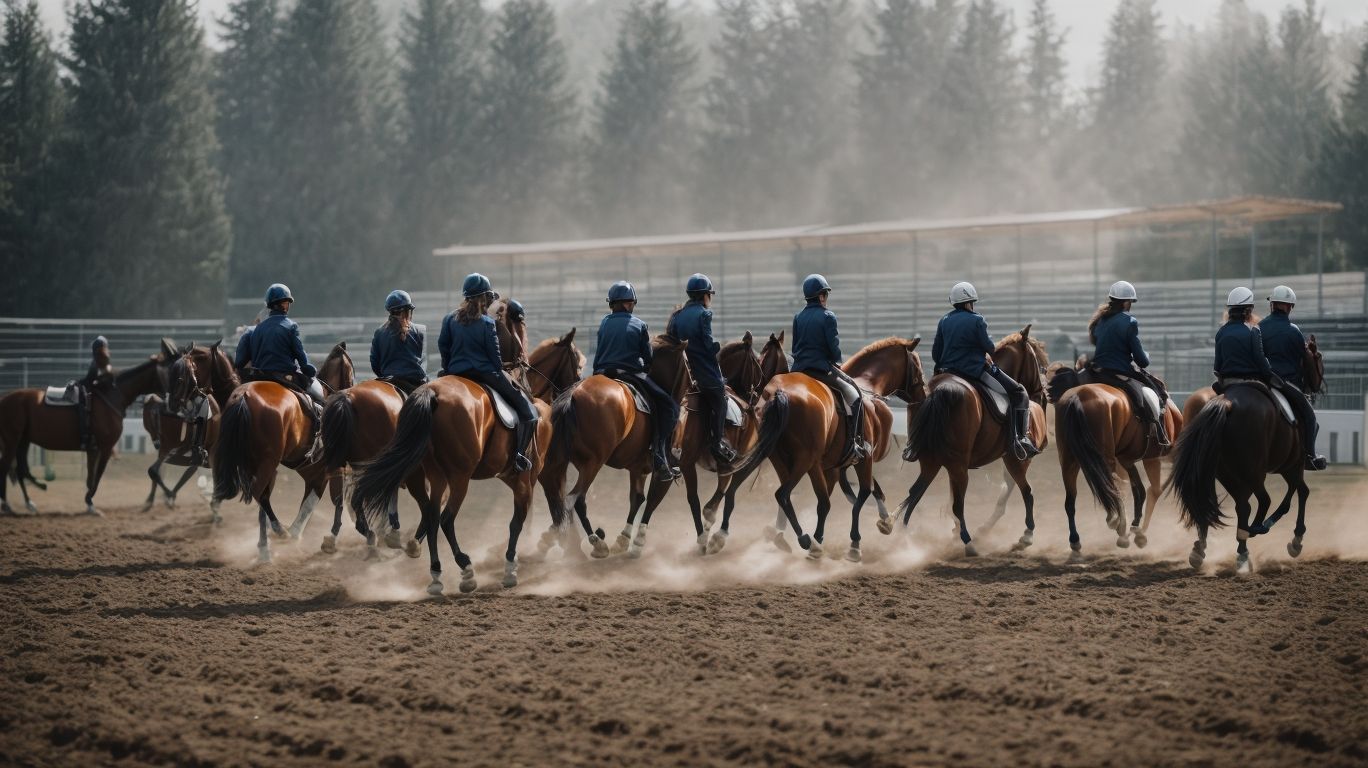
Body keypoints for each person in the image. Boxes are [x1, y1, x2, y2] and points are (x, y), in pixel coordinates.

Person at [438, 273, 537, 473]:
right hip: (485, 373)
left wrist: (448, 369)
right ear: (484, 298)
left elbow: (443, 348)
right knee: (529, 412)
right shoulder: (487, 323)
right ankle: (519, 456)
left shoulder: (449, 319)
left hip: (455, 373)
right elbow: (495, 359)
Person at [932, 281, 1040, 460]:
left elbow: (936, 353)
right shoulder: (977, 320)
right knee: (1019, 392)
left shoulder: (944, 321)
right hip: (974, 371)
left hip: (948, 372)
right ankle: (1020, 439)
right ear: (969, 302)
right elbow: (990, 348)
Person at [593, 280, 681, 483]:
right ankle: (659, 455)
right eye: (631, 302)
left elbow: (599, 353)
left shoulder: (604, 323)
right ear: (629, 303)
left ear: (612, 303)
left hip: (602, 375)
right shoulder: (639, 325)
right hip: (630, 374)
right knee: (669, 407)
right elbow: (648, 358)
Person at [791, 274, 870, 464]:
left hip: (799, 370)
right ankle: (855, 443)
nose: (826, 298)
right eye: (825, 294)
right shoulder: (828, 316)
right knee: (855, 396)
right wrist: (837, 361)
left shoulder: (798, 317)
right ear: (821, 296)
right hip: (821, 369)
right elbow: (833, 347)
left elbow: (795, 348)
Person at [1088, 280, 1170, 447]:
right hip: (1119, 370)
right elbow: (1141, 361)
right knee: (1157, 393)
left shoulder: (1100, 321)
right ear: (1126, 302)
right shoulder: (1129, 322)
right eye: (1131, 302)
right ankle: (1160, 433)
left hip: (1097, 370)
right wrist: (1145, 357)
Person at [666, 273, 736, 464]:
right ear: (705, 295)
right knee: (721, 399)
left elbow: (671, 342)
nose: (710, 299)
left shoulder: (677, 316)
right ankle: (717, 442)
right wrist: (717, 347)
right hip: (704, 373)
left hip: (681, 374)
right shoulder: (704, 314)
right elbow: (707, 344)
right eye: (709, 295)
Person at [1258, 286, 1327, 470]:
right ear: (1290, 307)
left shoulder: (1259, 328)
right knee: (1311, 418)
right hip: (1286, 384)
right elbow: (1303, 362)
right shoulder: (1294, 331)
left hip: (1261, 382)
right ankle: (1310, 457)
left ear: (1272, 304)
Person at [234, 283, 323, 405]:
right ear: (285, 305)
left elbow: (239, 362)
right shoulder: (291, 326)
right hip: (285, 378)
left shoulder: (254, 330)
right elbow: (302, 360)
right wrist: (311, 371)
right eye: (287, 303)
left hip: (258, 379)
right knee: (317, 401)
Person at [370, 289, 428, 395]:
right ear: (408, 311)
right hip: (413, 384)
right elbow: (422, 364)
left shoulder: (379, 332)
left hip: (387, 381)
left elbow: (374, 363)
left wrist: (386, 375)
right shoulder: (420, 330)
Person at [77, 336, 114, 452]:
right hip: (98, 393)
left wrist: (78, 382)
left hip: (97, 395)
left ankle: (85, 437)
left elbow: (90, 380)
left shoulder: (97, 363)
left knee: (81, 408)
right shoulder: (99, 362)